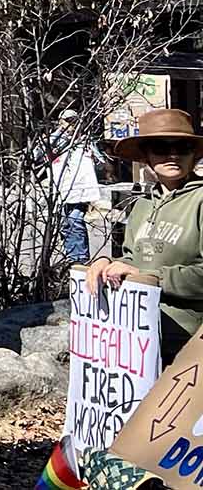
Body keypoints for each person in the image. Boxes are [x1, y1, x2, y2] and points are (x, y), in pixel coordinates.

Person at [86, 109, 203, 361]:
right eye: (160, 147)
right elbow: (133, 258)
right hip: (138, 335)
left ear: (194, 154)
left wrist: (152, 278)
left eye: (182, 147)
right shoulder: (141, 206)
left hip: (189, 346)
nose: (173, 155)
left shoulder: (200, 200)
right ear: (147, 156)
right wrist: (107, 264)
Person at [46, 112, 103, 266]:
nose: (70, 125)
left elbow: (100, 161)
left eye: (74, 121)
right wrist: (59, 132)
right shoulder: (54, 141)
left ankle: (80, 260)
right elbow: (38, 153)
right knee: (64, 225)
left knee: (75, 221)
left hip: (80, 191)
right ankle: (71, 257)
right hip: (61, 190)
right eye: (67, 121)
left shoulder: (85, 141)